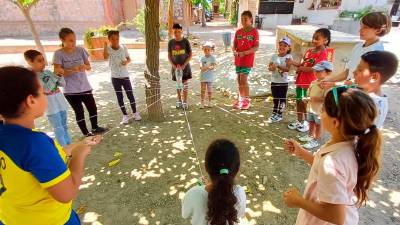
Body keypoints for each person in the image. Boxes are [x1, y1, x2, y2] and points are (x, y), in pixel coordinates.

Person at [0, 66, 102, 225]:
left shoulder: (10, 136)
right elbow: (67, 193)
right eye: (42, 92)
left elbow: (38, 163)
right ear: (31, 100)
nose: (45, 96)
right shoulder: (34, 143)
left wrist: (78, 145)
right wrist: (79, 155)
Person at [283, 87, 382, 225]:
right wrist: (300, 152)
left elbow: (336, 217)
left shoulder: (332, 161)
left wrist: (298, 201)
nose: (320, 113)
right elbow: (321, 167)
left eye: (323, 109)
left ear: (335, 122)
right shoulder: (349, 143)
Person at [53, 27, 107, 136]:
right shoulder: (58, 54)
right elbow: (57, 72)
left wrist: (84, 66)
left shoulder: (80, 50)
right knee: (79, 112)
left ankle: (95, 127)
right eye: (70, 40)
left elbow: (89, 67)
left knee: (92, 108)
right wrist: (73, 70)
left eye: (74, 39)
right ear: (62, 40)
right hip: (70, 90)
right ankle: (86, 133)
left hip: (85, 87)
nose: (74, 42)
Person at [182, 139, 246, 225]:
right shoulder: (240, 193)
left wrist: (204, 188)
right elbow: (240, 214)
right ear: (237, 170)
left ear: (206, 167)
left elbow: (185, 215)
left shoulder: (192, 194)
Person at [321, 12, 391, 86]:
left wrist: (333, 84)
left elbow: (363, 80)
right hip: (349, 89)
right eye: (361, 26)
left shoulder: (377, 52)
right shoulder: (358, 46)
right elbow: (347, 72)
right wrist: (329, 79)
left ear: (378, 30)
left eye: (365, 27)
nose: (360, 30)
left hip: (360, 94)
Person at [24, 50, 71, 147]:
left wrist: (60, 75)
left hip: (60, 102)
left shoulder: (48, 72)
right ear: (30, 62)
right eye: (39, 61)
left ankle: (69, 145)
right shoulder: (31, 77)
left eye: (43, 60)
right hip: (51, 107)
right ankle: (64, 149)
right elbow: (46, 88)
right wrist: (55, 77)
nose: (44, 63)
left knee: (65, 126)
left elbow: (62, 84)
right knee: (58, 128)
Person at [286, 28, 330, 133]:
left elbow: (315, 68)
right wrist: (292, 62)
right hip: (301, 80)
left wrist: (300, 68)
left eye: (317, 38)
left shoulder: (323, 53)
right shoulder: (309, 51)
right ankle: (299, 120)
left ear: (325, 40)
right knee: (299, 100)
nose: (314, 40)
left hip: (310, 82)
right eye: (313, 38)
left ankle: (306, 123)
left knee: (306, 102)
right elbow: (302, 64)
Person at [103, 30, 141, 124]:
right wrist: (104, 47)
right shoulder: (108, 48)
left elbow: (129, 59)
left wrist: (126, 62)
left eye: (117, 38)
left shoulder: (123, 47)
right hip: (115, 77)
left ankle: (135, 113)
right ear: (109, 39)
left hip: (125, 76)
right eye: (113, 39)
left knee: (130, 95)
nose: (115, 41)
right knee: (120, 96)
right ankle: (124, 115)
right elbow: (105, 57)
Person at [354, 50, 398, 128]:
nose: (354, 72)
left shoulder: (370, 106)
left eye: (360, 70)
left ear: (374, 77)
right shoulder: (367, 96)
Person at [299, 61, 332, 149]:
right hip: (311, 108)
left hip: (319, 110)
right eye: (315, 70)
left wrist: (314, 99)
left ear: (328, 72)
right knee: (311, 122)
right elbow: (309, 94)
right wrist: (306, 98)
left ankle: (316, 140)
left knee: (318, 125)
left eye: (319, 71)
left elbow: (327, 99)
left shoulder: (327, 85)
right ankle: (310, 135)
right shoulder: (313, 82)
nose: (316, 73)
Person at [232, 10, 259, 110]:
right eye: (242, 19)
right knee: (239, 80)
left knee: (243, 79)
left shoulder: (254, 31)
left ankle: (246, 101)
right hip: (238, 59)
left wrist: (245, 53)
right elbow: (234, 44)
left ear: (251, 19)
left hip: (247, 60)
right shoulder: (238, 31)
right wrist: (234, 50)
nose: (243, 21)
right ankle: (241, 99)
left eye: (245, 19)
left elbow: (256, 47)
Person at [268, 36, 293, 122]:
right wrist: (272, 68)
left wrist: (278, 66)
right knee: (275, 98)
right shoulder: (274, 56)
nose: (282, 47)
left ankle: (280, 114)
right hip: (274, 81)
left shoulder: (288, 57)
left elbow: (287, 69)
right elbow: (269, 67)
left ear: (289, 48)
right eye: (280, 45)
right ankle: (274, 112)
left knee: (282, 99)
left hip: (283, 82)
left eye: (285, 45)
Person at [168, 23, 193, 110]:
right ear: (173, 31)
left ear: (181, 31)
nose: (177, 33)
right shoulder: (171, 42)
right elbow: (169, 56)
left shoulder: (185, 41)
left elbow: (190, 55)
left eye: (178, 31)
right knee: (178, 85)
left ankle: (185, 101)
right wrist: (173, 66)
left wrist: (183, 65)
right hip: (175, 68)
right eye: (175, 32)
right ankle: (179, 101)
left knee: (185, 84)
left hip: (185, 68)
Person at [199, 42, 217, 109]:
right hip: (203, 77)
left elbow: (213, 66)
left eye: (208, 50)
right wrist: (203, 68)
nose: (206, 51)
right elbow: (200, 66)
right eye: (205, 49)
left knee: (210, 90)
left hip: (210, 77)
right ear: (203, 50)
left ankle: (209, 102)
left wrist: (209, 67)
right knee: (202, 90)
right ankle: (202, 102)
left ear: (211, 50)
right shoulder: (202, 58)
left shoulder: (213, 58)